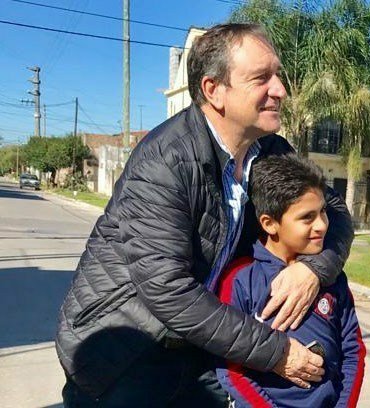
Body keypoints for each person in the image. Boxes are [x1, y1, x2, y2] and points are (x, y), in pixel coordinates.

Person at [56, 23, 353, 407]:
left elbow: (336, 212)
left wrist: (313, 269)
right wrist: (278, 352)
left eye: (277, 75)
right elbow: (168, 289)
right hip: (124, 352)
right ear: (214, 90)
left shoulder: (271, 152)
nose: (280, 89)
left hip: (200, 346)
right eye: (261, 78)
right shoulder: (166, 159)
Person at [217, 154, 365, 407]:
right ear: (269, 223)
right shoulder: (240, 279)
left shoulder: (331, 277)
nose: (322, 225)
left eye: (323, 212)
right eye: (307, 217)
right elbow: (231, 368)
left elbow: (353, 352)